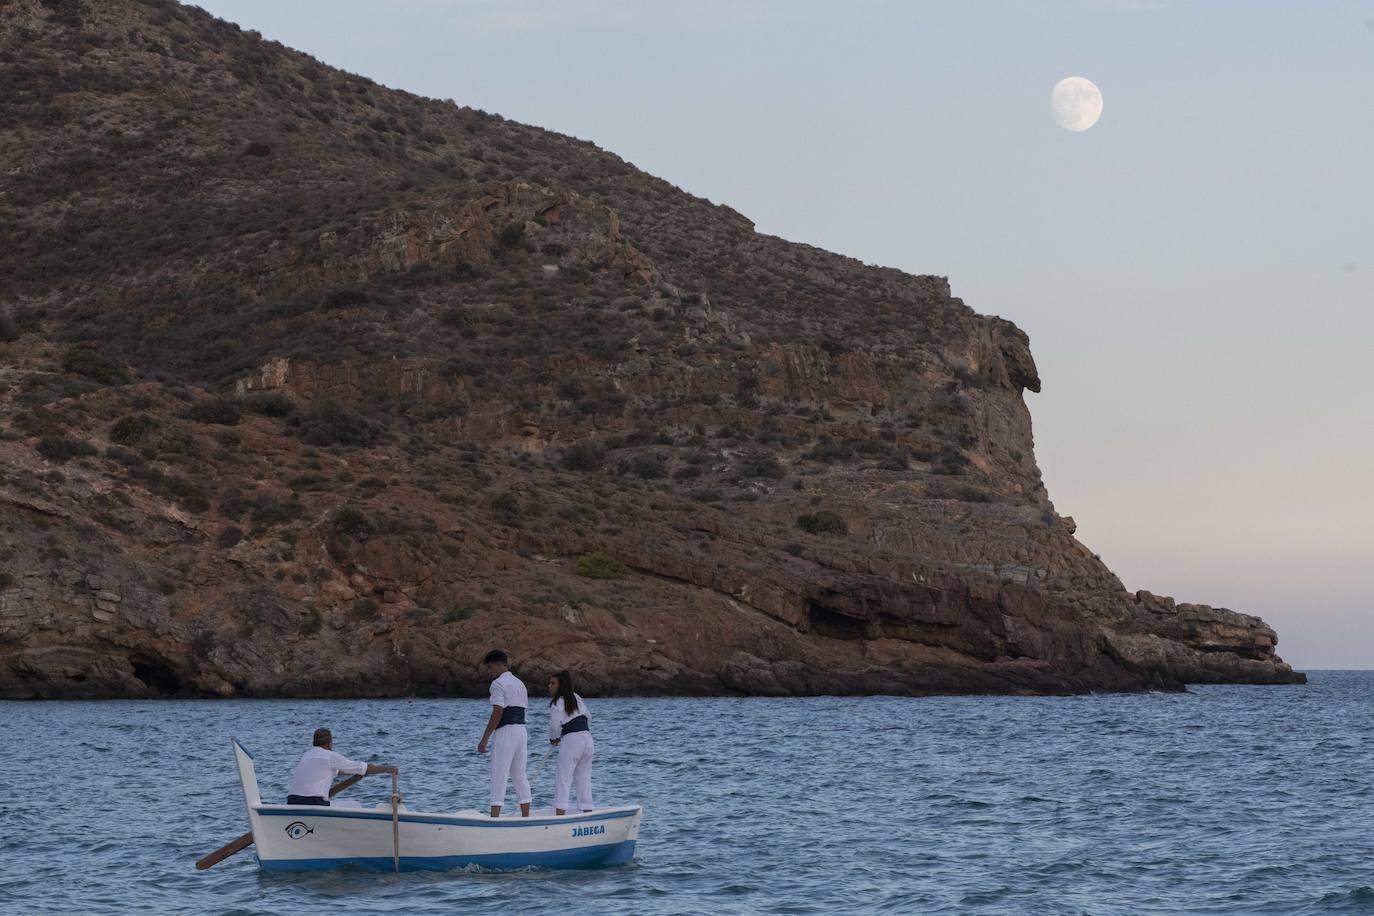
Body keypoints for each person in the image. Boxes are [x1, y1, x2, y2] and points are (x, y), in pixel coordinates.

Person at [476, 649, 531, 818]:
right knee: (519, 774)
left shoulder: (498, 684)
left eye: (491, 668)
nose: (491, 672)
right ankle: (526, 816)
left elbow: (498, 712)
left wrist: (484, 739)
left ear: (499, 665)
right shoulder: (520, 683)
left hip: (506, 731)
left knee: (499, 773)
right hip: (521, 731)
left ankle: (495, 818)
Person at [286, 727, 396, 805]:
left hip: (292, 801)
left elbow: (342, 772)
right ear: (329, 744)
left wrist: (358, 775)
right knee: (354, 805)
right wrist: (388, 769)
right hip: (314, 803)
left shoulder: (306, 756)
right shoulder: (329, 756)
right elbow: (363, 768)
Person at [547, 670, 595, 816]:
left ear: (560, 685)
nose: (549, 686)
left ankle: (560, 815)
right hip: (587, 739)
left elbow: (554, 725)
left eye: (553, 683)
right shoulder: (577, 697)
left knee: (563, 778)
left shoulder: (557, 702)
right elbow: (589, 717)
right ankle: (588, 811)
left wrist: (553, 738)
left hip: (572, 740)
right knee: (583, 777)